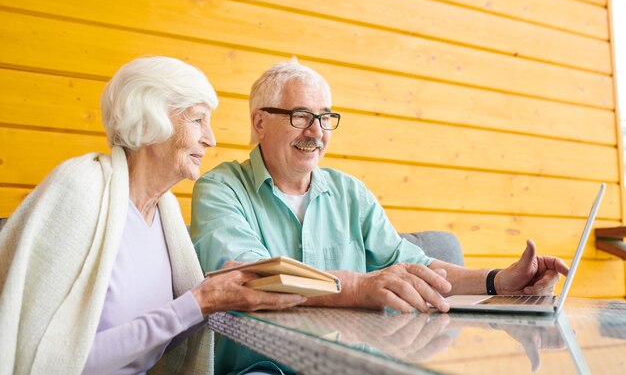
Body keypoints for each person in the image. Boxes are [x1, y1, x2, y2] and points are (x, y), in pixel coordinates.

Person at [191, 59, 569, 375]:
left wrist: (498, 282)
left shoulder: (350, 193)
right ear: (260, 123)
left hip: (348, 364)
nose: (316, 132)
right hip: (260, 367)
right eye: (302, 116)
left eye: (325, 117)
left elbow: (414, 265)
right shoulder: (220, 187)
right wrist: (356, 287)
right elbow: (248, 277)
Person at [0, 56, 306, 375]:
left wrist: (214, 292)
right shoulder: (80, 189)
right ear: (151, 118)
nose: (210, 139)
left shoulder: (164, 210)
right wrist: (198, 302)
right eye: (198, 120)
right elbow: (50, 361)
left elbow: (147, 347)